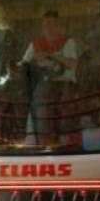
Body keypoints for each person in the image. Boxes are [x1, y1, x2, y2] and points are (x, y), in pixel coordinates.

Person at [20, 10, 80, 145]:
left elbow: (73, 64)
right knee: (38, 107)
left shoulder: (68, 42)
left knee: (65, 108)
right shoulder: (35, 44)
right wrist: (31, 61)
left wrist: (50, 55)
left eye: (52, 24)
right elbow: (24, 64)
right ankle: (41, 141)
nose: (49, 28)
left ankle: (65, 139)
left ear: (59, 26)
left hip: (65, 84)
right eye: (46, 25)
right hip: (44, 84)